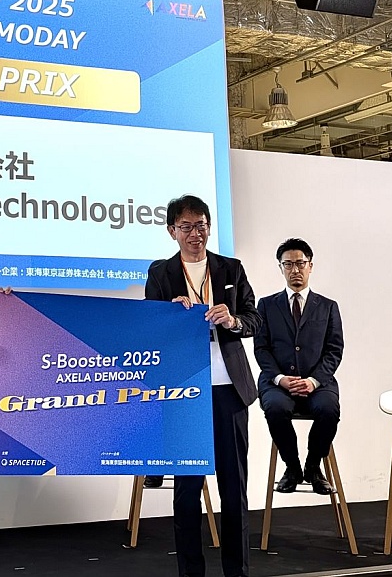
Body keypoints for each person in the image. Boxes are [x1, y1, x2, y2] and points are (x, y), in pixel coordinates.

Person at [145, 195, 260, 577]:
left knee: (234, 488)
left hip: (229, 389)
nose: (195, 234)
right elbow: (149, 328)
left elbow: (254, 319)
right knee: (186, 492)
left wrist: (232, 320)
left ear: (209, 227)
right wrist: (169, 315)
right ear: (172, 231)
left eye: (201, 226)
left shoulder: (231, 268)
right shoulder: (161, 273)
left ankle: (237, 572)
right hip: (184, 392)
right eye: (186, 227)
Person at [254, 238, 342, 495]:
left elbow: (334, 350)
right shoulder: (266, 305)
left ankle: (313, 467)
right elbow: (261, 348)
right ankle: (291, 467)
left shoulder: (328, 306)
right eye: (288, 264)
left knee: (328, 410)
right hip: (277, 383)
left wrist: (313, 381)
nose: (295, 270)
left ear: (310, 266)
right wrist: (280, 378)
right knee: (275, 408)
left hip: (317, 382)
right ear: (280, 268)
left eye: (300, 263)